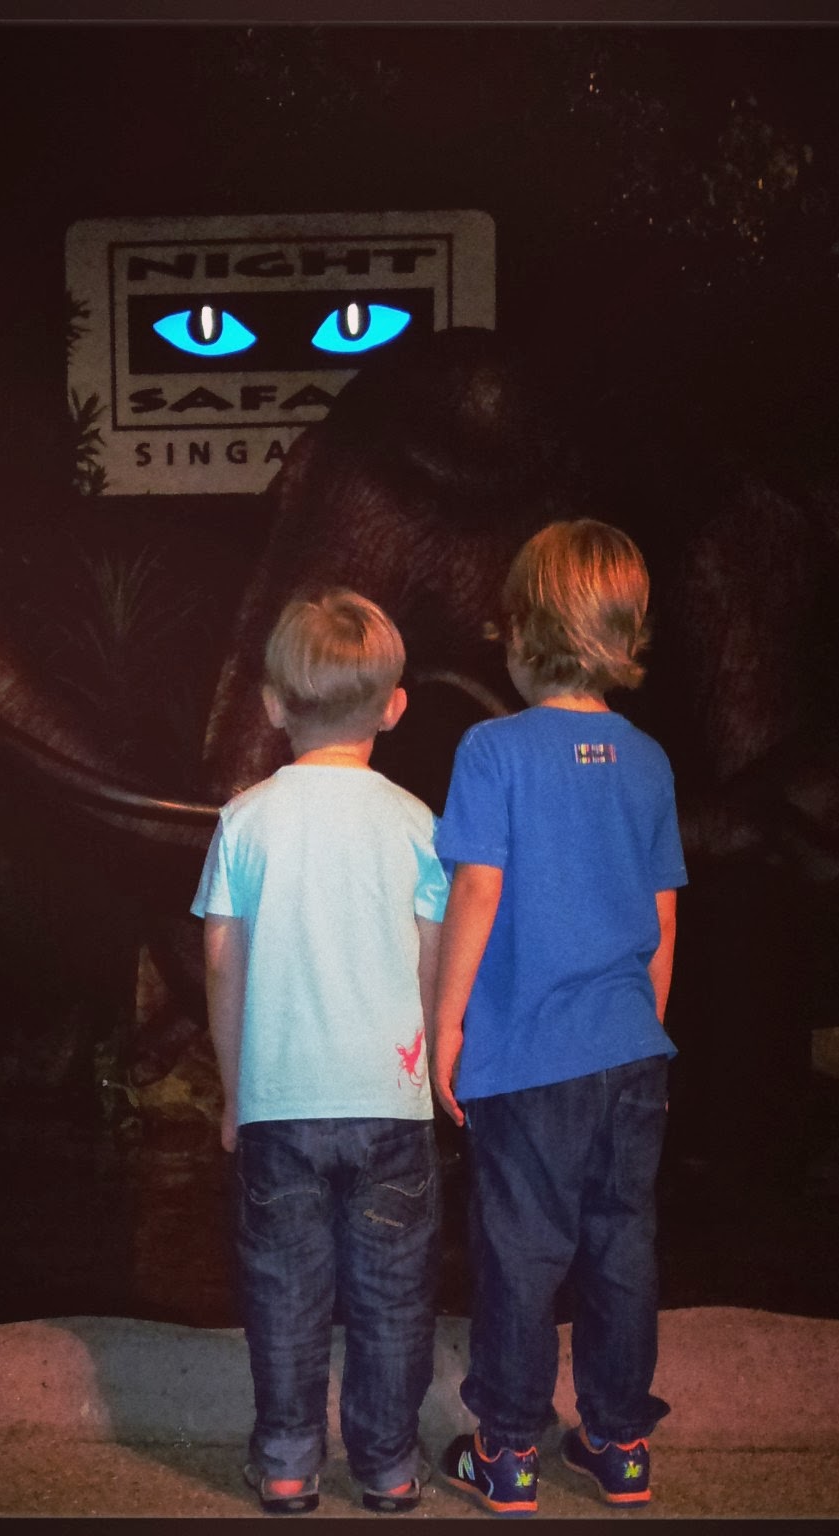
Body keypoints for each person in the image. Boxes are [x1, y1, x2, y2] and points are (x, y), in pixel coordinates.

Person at [431, 519, 686, 1514]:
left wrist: (448, 1024)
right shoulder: (648, 760)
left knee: (521, 1252)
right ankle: (619, 1444)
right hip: (631, 1051)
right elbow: (662, 918)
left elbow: (478, 891)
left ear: (522, 631)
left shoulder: (492, 749)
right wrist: (642, 1031)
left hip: (530, 1056)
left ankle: (507, 1451)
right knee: (622, 1247)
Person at [192, 589, 449, 1516]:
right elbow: (432, 964)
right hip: (390, 1101)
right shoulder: (419, 823)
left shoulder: (245, 820)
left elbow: (222, 967)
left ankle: (290, 1461)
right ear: (394, 706)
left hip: (282, 1104)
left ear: (271, 705)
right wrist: (428, 1070)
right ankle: (387, 1465)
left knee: (284, 1291)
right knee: (393, 1296)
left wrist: (233, 1092)